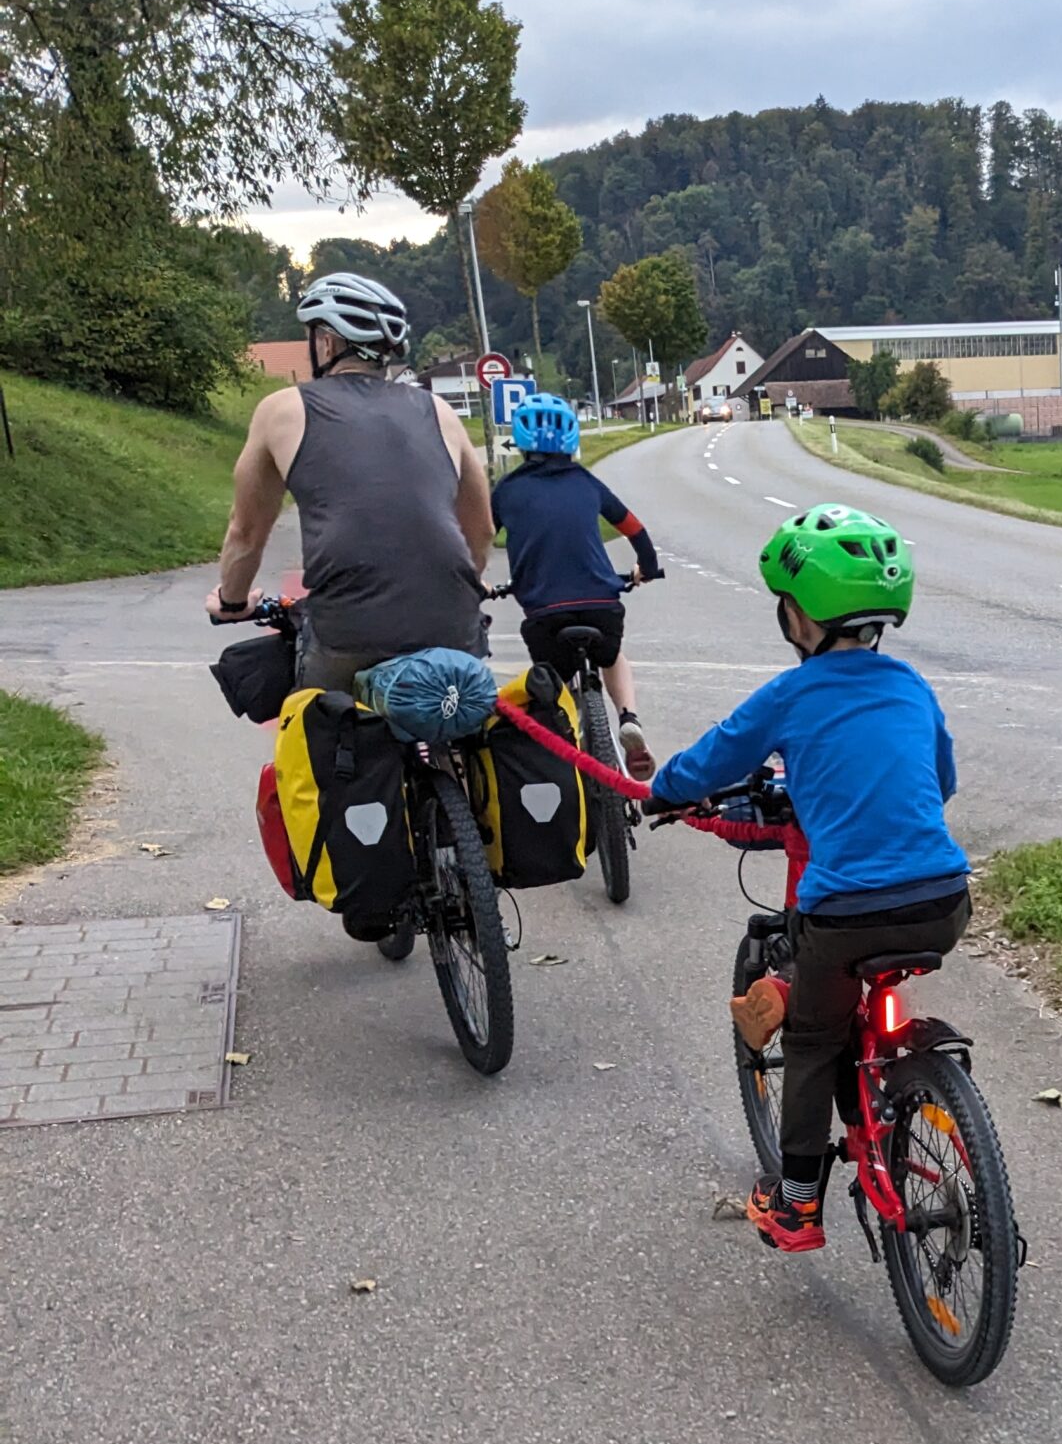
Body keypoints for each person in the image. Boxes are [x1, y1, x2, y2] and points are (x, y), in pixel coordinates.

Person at [649, 504, 968, 1253]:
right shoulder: (911, 686)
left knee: (813, 1041)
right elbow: (942, 780)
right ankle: (911, 1092)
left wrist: (663, 790)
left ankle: (796, 1205)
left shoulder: (791, 695)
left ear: (798, 617)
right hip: (944, 901)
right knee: (866, 987)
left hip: (844, 918)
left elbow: (712, 761)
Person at [207, 272, 493, 692]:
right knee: (457, 713)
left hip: (349, 631)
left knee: (316, 719)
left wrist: (232, 602)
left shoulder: (282, 410)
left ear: (326, 343)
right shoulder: (440, 412)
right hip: (454, 626)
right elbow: (481, 531)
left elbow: (246, 532)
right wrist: (464, 584)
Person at [489, 392, 662, 777]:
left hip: (544, 614)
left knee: (552, 684)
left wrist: (476, 582)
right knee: (611, 656)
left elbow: (479, 536)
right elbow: (634, 529)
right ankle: (628, 718)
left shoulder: (506, 490)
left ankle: (564, 750)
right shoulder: (587, 483)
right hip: (602, 606)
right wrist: (647, 568)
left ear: (521, 442)